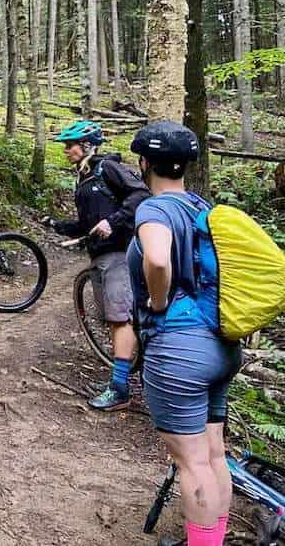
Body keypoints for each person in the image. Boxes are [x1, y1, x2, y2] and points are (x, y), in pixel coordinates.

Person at [127, 121, 241, 546]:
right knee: (214, 455)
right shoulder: (201, 207)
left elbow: (157, 260)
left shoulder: (154, 208)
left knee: (192, 464)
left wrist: (158, 305)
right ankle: (212, 536)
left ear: (144, 164)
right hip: (220, 345)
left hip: (179, 351)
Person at [44, 120, 149, 411]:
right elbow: (87, 223)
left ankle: (120, 389)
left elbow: (140, 194)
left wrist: (113, 222)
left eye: (70, 145)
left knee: (119, 318)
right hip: (100, 256)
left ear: (88, 145)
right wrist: (59, 226)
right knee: (113, 318)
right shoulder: (86, 177)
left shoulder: (108, 168)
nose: (66, 151)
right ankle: (118, 380)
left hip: (118, 254)